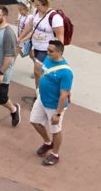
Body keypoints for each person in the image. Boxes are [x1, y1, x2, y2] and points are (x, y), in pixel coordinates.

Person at [29, 39, 72, 167]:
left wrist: (57, 114)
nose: (47, 53)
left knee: (56, 130)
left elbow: (64, 94)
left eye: (50, 51)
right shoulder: (48, 60)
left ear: (59, 52)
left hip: (54, 105)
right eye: (47, 50)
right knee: (34, 121)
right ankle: (48, 142)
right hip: (42, 99)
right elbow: (43, 74)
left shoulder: (66, 72)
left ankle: (55, 154)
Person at [26, 0, 65, 86]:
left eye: (37, 5)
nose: (35, 7)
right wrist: (20, 38)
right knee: (40, 72)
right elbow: (30, 25)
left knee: (37, 71)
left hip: (46, 49)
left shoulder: (55, 18)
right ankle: (38, 93)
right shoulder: (36, 12)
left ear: (45, 4)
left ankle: (40, 95)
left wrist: (58, 53)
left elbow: (60, 37)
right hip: (36, 46)